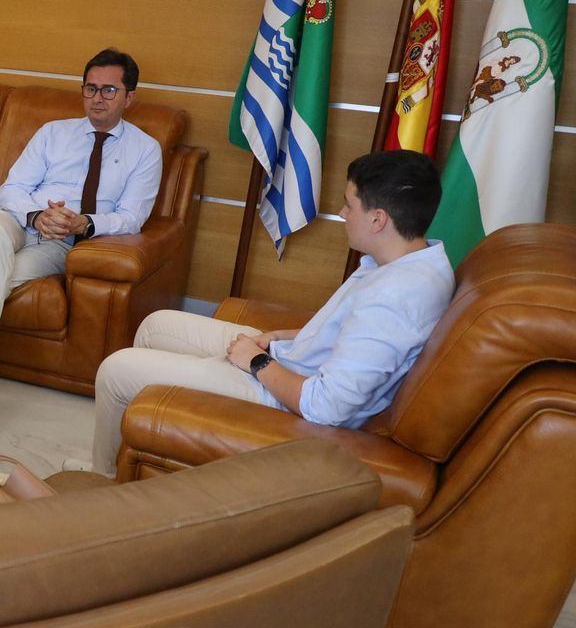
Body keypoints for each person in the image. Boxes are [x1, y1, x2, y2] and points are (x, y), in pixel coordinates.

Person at [90, 149, 454, 474]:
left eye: (349, 204)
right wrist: (280, 336)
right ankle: (135, 454)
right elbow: (349, 332)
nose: (342, 214)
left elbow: (327, 407)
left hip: (281, 397)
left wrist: (257, 364)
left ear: (378, 219)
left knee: (116, 369)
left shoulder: (396, 296)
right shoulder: (406, 260)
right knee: (155, 326)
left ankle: (101, 476)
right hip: (289, 361)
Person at [0, 47, 161, 319]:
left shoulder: (145, 150)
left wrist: (85, 222)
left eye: (109, 90)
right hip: (20, 220)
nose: (98, 98)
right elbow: (11, 189)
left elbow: (132, 217)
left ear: (129, 98)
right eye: (90, 89)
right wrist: (37, 216)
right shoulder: (53, 132)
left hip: (62, 242)